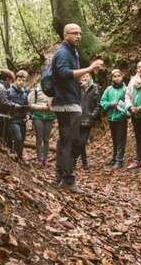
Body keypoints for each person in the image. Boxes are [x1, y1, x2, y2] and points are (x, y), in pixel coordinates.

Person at [51, 24, 104, 193]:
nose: (79, 36)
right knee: (71, 141)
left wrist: (77, 82)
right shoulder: (63, 52)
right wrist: (89, 69)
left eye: (80, 33)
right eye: (75, 33)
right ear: (65, 34)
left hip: (69, 101)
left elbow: (67, 76)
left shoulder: (72, 51)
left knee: (65, 141)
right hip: (66, 104)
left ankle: (61, 176)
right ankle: (67, 179)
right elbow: (63, 73)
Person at [100, 69, 129, 169]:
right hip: (111, 118)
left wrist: (122, 113)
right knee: (115, 139)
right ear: (112, 78)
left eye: (118, 76)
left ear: (122, 76)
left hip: (121, 119)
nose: (117, 78)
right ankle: (114, 158)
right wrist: (110, 104)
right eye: (114, 76)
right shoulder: (109, 89)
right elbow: (102, 102)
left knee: (121, 139)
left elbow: (128, 104)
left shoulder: (126, 89)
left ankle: (119, 160)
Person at [0, 69, 26, 144]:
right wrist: (15, 105)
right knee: (2, 139)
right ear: (7, 79)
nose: (11, 83)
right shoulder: (1, 89)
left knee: (1, 137)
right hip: (2, 117)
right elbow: (4, 102)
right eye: (11, 81)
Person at [29, 71, 55, 168]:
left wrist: (51, 107)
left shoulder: (54, 90)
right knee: (39, 139)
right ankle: (39, 160)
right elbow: (30, 105)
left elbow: (57, 103)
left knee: (46, 139)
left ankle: (45, 160)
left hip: (50, 117)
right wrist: (41, 107)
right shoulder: (36, 90)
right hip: (38, 116)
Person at [76, 73, 101, 169]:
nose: (85, 78)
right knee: (78, 141)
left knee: (82, 142)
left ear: (90, 78)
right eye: (83, 76)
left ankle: (74, 160)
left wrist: (92, 115)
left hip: (88, 119)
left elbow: (98, 104)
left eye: (87, 76)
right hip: (77, 118)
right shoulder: (78, 88)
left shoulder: (94, 88)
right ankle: (84, 162)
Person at [7, 70, 30, 162]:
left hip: (22, 120)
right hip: (13, 119)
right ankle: (16, 156)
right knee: (18, 138)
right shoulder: (9, 91)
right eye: (19, 80)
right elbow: (5, 104)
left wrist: (28, 115)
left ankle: (19, 157)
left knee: (22, 139)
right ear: (16, 80)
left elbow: (27, 106)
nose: (21, 82)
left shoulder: (25, 93)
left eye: (23, 80)